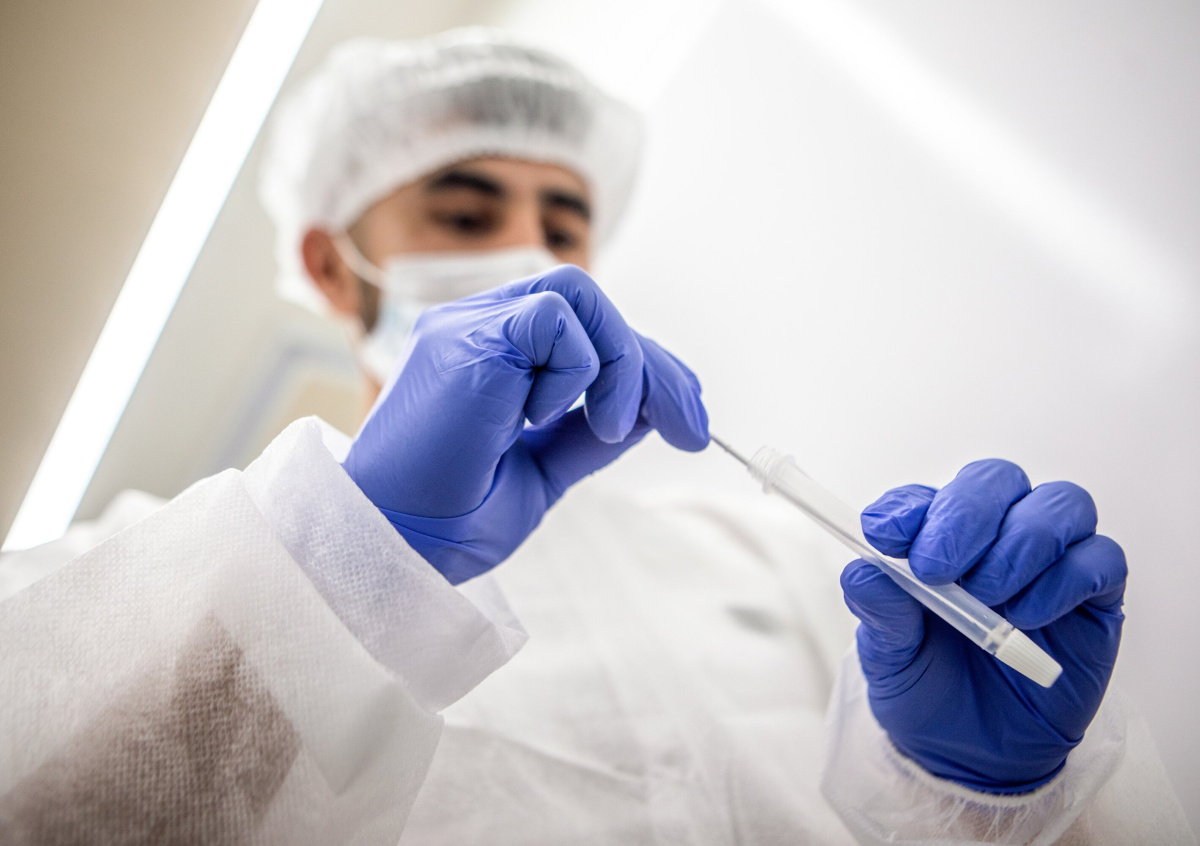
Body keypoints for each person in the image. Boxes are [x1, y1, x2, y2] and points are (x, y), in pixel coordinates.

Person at [0, 28, 1191, 846]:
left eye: (564, 222)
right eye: (465, 210)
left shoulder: (754, 555)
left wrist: (982, 803)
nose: (528, 250)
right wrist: (336, 571)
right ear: (329, 262)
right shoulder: (127, 579)